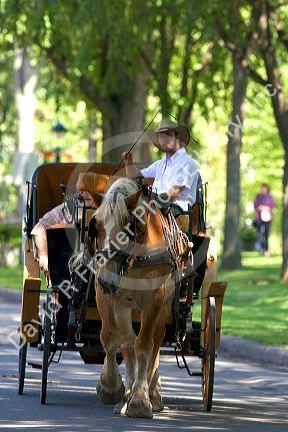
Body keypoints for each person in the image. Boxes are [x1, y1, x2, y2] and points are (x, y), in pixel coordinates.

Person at [31, 172, 109, 272]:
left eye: (96, 192)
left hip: (102, 262)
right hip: (69, 263)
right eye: (84, 190)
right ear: (80, 192)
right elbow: (39, 228)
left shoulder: (109, 208)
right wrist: (43, 255)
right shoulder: (68, 208)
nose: (89, 194)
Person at [122, 118, 199, 217]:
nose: (164, 139)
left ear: (177, 136)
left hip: (178, 212)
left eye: (168, 135)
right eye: (161, 136)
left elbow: (173, 193)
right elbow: (135, 175)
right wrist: (129, 163)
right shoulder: (160, 164)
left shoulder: (188, 163)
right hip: (156, 206)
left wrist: (151, 197)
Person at [253, 183, 274, 256]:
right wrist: (260, 207)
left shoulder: (270, 197)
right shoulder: (258, 196)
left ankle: (266, 249)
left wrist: (265, 208)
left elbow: (272, 206)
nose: (263, 189)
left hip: (267, 218)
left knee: (266, 234)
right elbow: (255, 205)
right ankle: (259, 249)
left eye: (265, 188)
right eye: (262, 188)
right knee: (259, 234)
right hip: (258, 218)